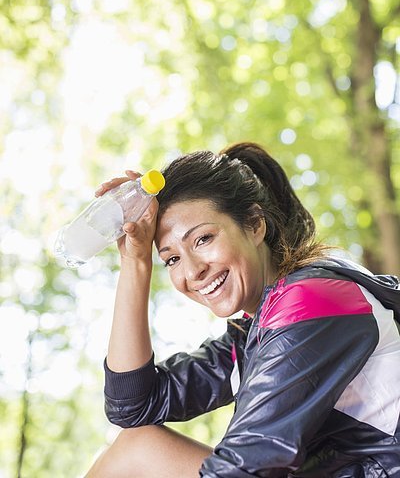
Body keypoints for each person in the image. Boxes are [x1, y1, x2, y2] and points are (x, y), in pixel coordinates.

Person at [85, 142, 400, 478]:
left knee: (136, 455)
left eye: (203, 239)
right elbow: (133, 405)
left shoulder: (311, 301)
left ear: (254, 224)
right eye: (172, 259)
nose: (192, 272)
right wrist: (134, 262)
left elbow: (245, 469)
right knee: (137, 448)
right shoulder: (252, 333)